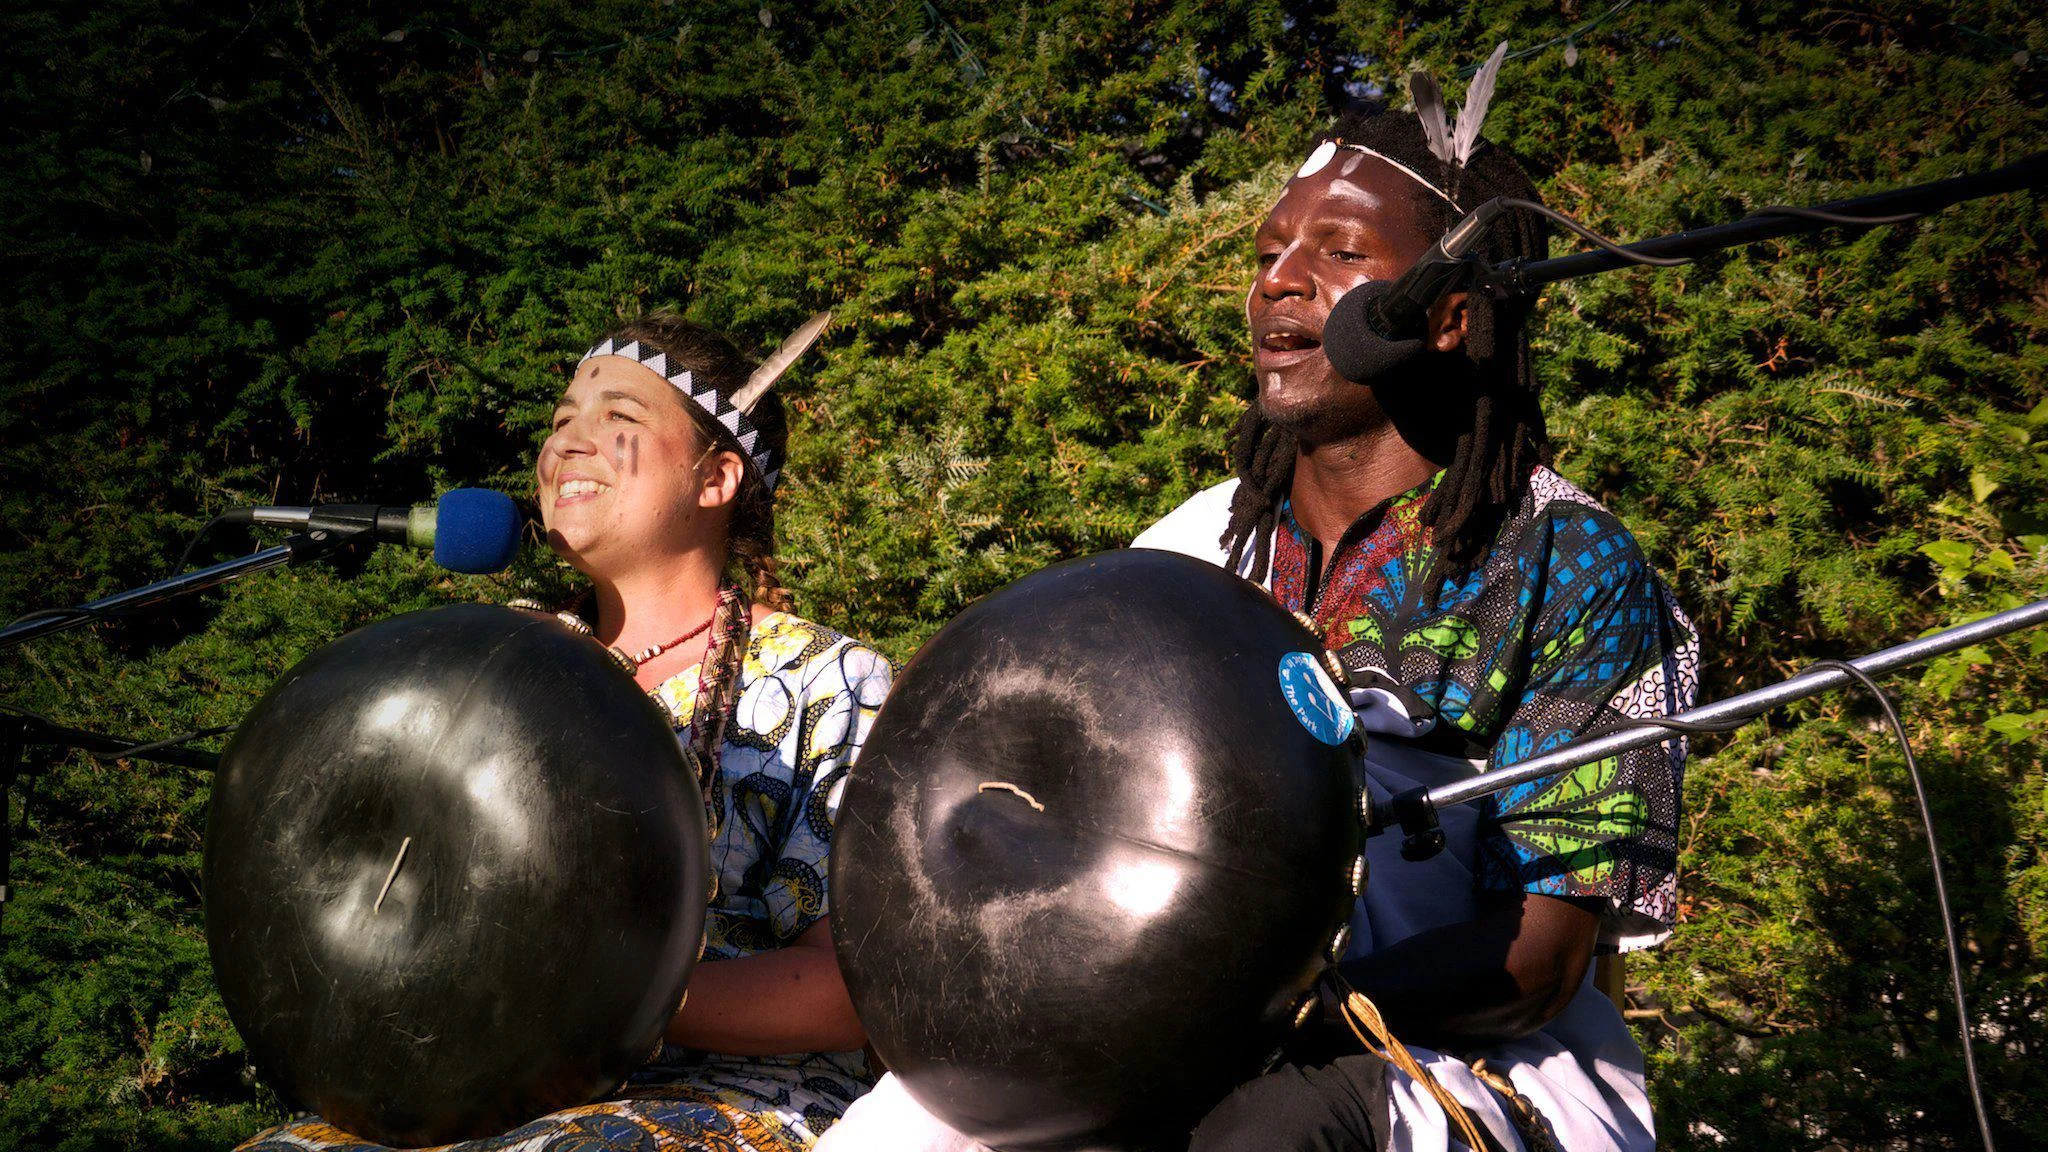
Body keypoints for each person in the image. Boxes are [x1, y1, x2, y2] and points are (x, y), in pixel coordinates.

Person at [819, 58, 1697, 1152]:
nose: (1278, 281)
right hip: (1152, 1029)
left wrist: (1262, 1017)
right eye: (1268, 251)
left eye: (1339, 252)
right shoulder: (1195, 547)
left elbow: (1540, 959)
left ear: (1450, 314)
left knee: (1265, 1131)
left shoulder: (1570, 561)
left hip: (1441, 1055)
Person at [241, 312, 891, 1152]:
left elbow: (855, 986)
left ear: (716, 478)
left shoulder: (826, 679)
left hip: (730, 1094)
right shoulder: (496, 659)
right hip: (495, 1090)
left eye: (618, 416)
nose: (566, 445)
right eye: (560, 422)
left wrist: (602, 1002)